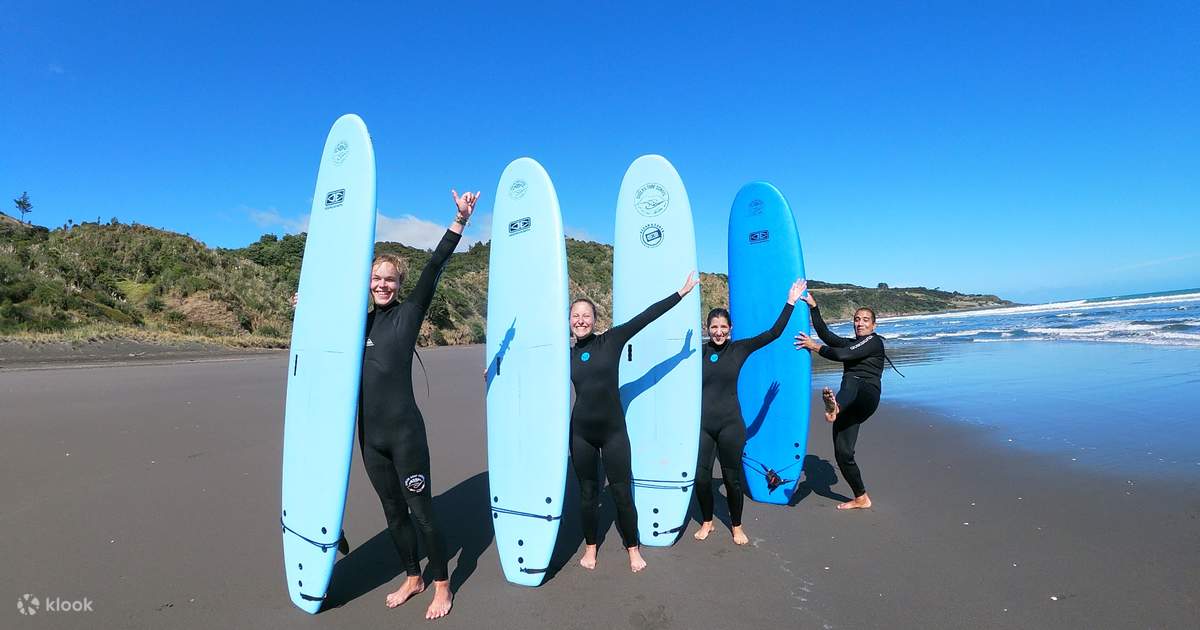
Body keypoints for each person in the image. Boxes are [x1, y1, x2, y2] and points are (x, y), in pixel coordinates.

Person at [347, 189, 477, 619]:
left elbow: (435, 266)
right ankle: (412, 576)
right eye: (376, 278)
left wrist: (459, 222)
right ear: (368, 283)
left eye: (390, 279)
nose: (383, 284)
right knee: (392, 513)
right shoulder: (356, 323)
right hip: (371, 438)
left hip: (405, 435)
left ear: (399, 285)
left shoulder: (409, 313)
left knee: (422, 513)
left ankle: (442, 584)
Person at [569, 272, 699, 572]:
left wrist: (680, 294)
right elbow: (533, 365)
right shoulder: (565, 355)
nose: (581, 320)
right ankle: (591, 548)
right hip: (581, 434)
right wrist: (494, 371)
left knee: (621, 492)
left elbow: (645, 317)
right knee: (588, 494)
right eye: (575, 315)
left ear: (594, 319)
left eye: (586, 315)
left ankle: (632, 548)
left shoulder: (611, 341)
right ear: (569, 321)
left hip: (613, 432)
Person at [694, 279, 805, 544]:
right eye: (714, 327)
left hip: (731, 424)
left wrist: (790, 302)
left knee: (732, 479)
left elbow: (773, 333)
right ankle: (707, 521)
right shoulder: (698, 352)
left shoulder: (739, 349)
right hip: (703, 425)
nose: (718, 332)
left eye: (723, 327)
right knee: (701, 478)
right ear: (707, 329)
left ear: (730, 329)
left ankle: (736, 525)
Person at [794, 292, 886, 510]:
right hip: (848, 402)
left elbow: (843, 355)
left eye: (865, 320)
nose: (860, 323)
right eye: (856, 319)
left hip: (866, 396)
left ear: (873, 325)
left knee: (852, 378)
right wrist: (813, 307)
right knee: (843, 453)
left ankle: (835, 407)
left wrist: (814, 347)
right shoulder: (852, 343)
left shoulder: (873, 341)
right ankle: (861, 497)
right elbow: (826, 334)